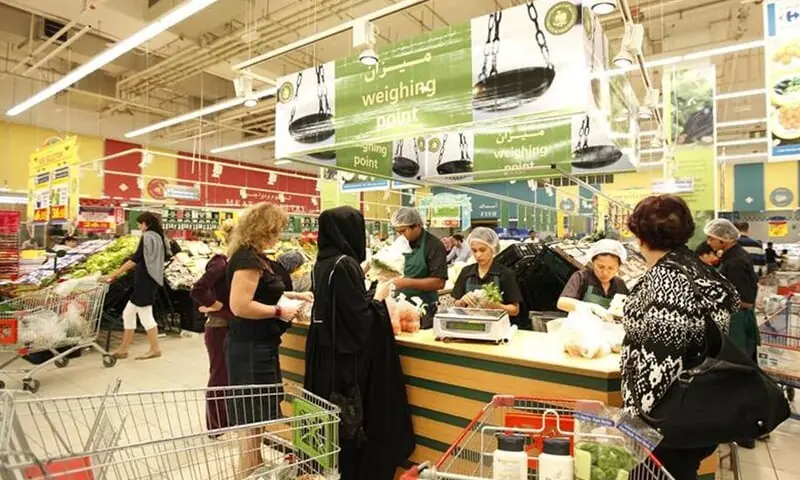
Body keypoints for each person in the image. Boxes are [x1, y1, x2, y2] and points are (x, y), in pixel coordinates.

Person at [623, 195, 739, 480]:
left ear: (640, 235)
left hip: (669, 421)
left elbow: (659, 362)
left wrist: (634, 423)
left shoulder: (667, 280)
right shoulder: (697, 268)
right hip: (702, 405)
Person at [305, 206, 414, 480]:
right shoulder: (345, 264)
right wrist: (379, 296)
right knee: (351, 423)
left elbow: (341, 305)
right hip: (346, 362)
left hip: (324, 352)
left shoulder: (323, 262)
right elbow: (358, 319)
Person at [225, 203, 310, 476]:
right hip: (250, 347)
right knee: (252, 411)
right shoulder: (247, 261)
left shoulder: (255, 258)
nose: (277, 236)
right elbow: (240, 305)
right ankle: (247, 470)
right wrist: (278, 311)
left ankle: (254, 465)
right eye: (275, 231)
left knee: (257, 411)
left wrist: (293, 297)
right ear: (262, 229)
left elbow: (262, 293)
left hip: (258, 344)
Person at [705, 218, 761, 449]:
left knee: (739, 374)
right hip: (733, 321)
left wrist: (713, 301)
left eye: (712, 238)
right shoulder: (730, 256)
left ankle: (746, 433)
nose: (709, 242)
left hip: (738, 323)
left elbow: (746, 300)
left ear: (724, 239)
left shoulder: (736, 262)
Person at [102, 212, 168, 360]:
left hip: (146, 280)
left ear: (145, 224)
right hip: (149, 280)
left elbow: (135, 259)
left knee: (145, 315)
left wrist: (115, 273)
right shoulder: (159, 236)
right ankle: (123, 349)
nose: (138, 226)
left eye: (139, 224)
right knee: (128, 313)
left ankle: (155, 349)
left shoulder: (148, 236)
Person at [189, 220, 235, 432]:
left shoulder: (231, 263)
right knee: (219, 375)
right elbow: (198, 289)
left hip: (226, 325)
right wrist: (215, 305)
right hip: (218, 326)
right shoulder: (220, 263)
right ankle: (216, 426)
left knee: (226, 374)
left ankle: (225, 420)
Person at [390, 207, 447, 329]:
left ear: (417, 226)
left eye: (403, 231)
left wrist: (405, 283)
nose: (400, 235)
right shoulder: (399, 244)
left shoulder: (434, 245)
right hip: (399, 306)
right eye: (398, 232)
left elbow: (439, 282)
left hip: (423, 309)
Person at [452, 227, 523, 320]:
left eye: (482, 250)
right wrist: (462, 302)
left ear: (493, 248)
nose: (478, 255)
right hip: (470, 323)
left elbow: (515, 310)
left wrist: (496, 306)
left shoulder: (505, 274)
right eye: (474, 250)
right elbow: (456, 303)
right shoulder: (466, 271)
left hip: (496, 325)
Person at [557, 239, 629, 319]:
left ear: (618, 267)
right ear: (593, 263)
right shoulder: (582, 277)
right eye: (600, 267)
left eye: (611, 268)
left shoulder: (619, 284)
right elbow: (562, 303)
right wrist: (591, 307)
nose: (605, 272)